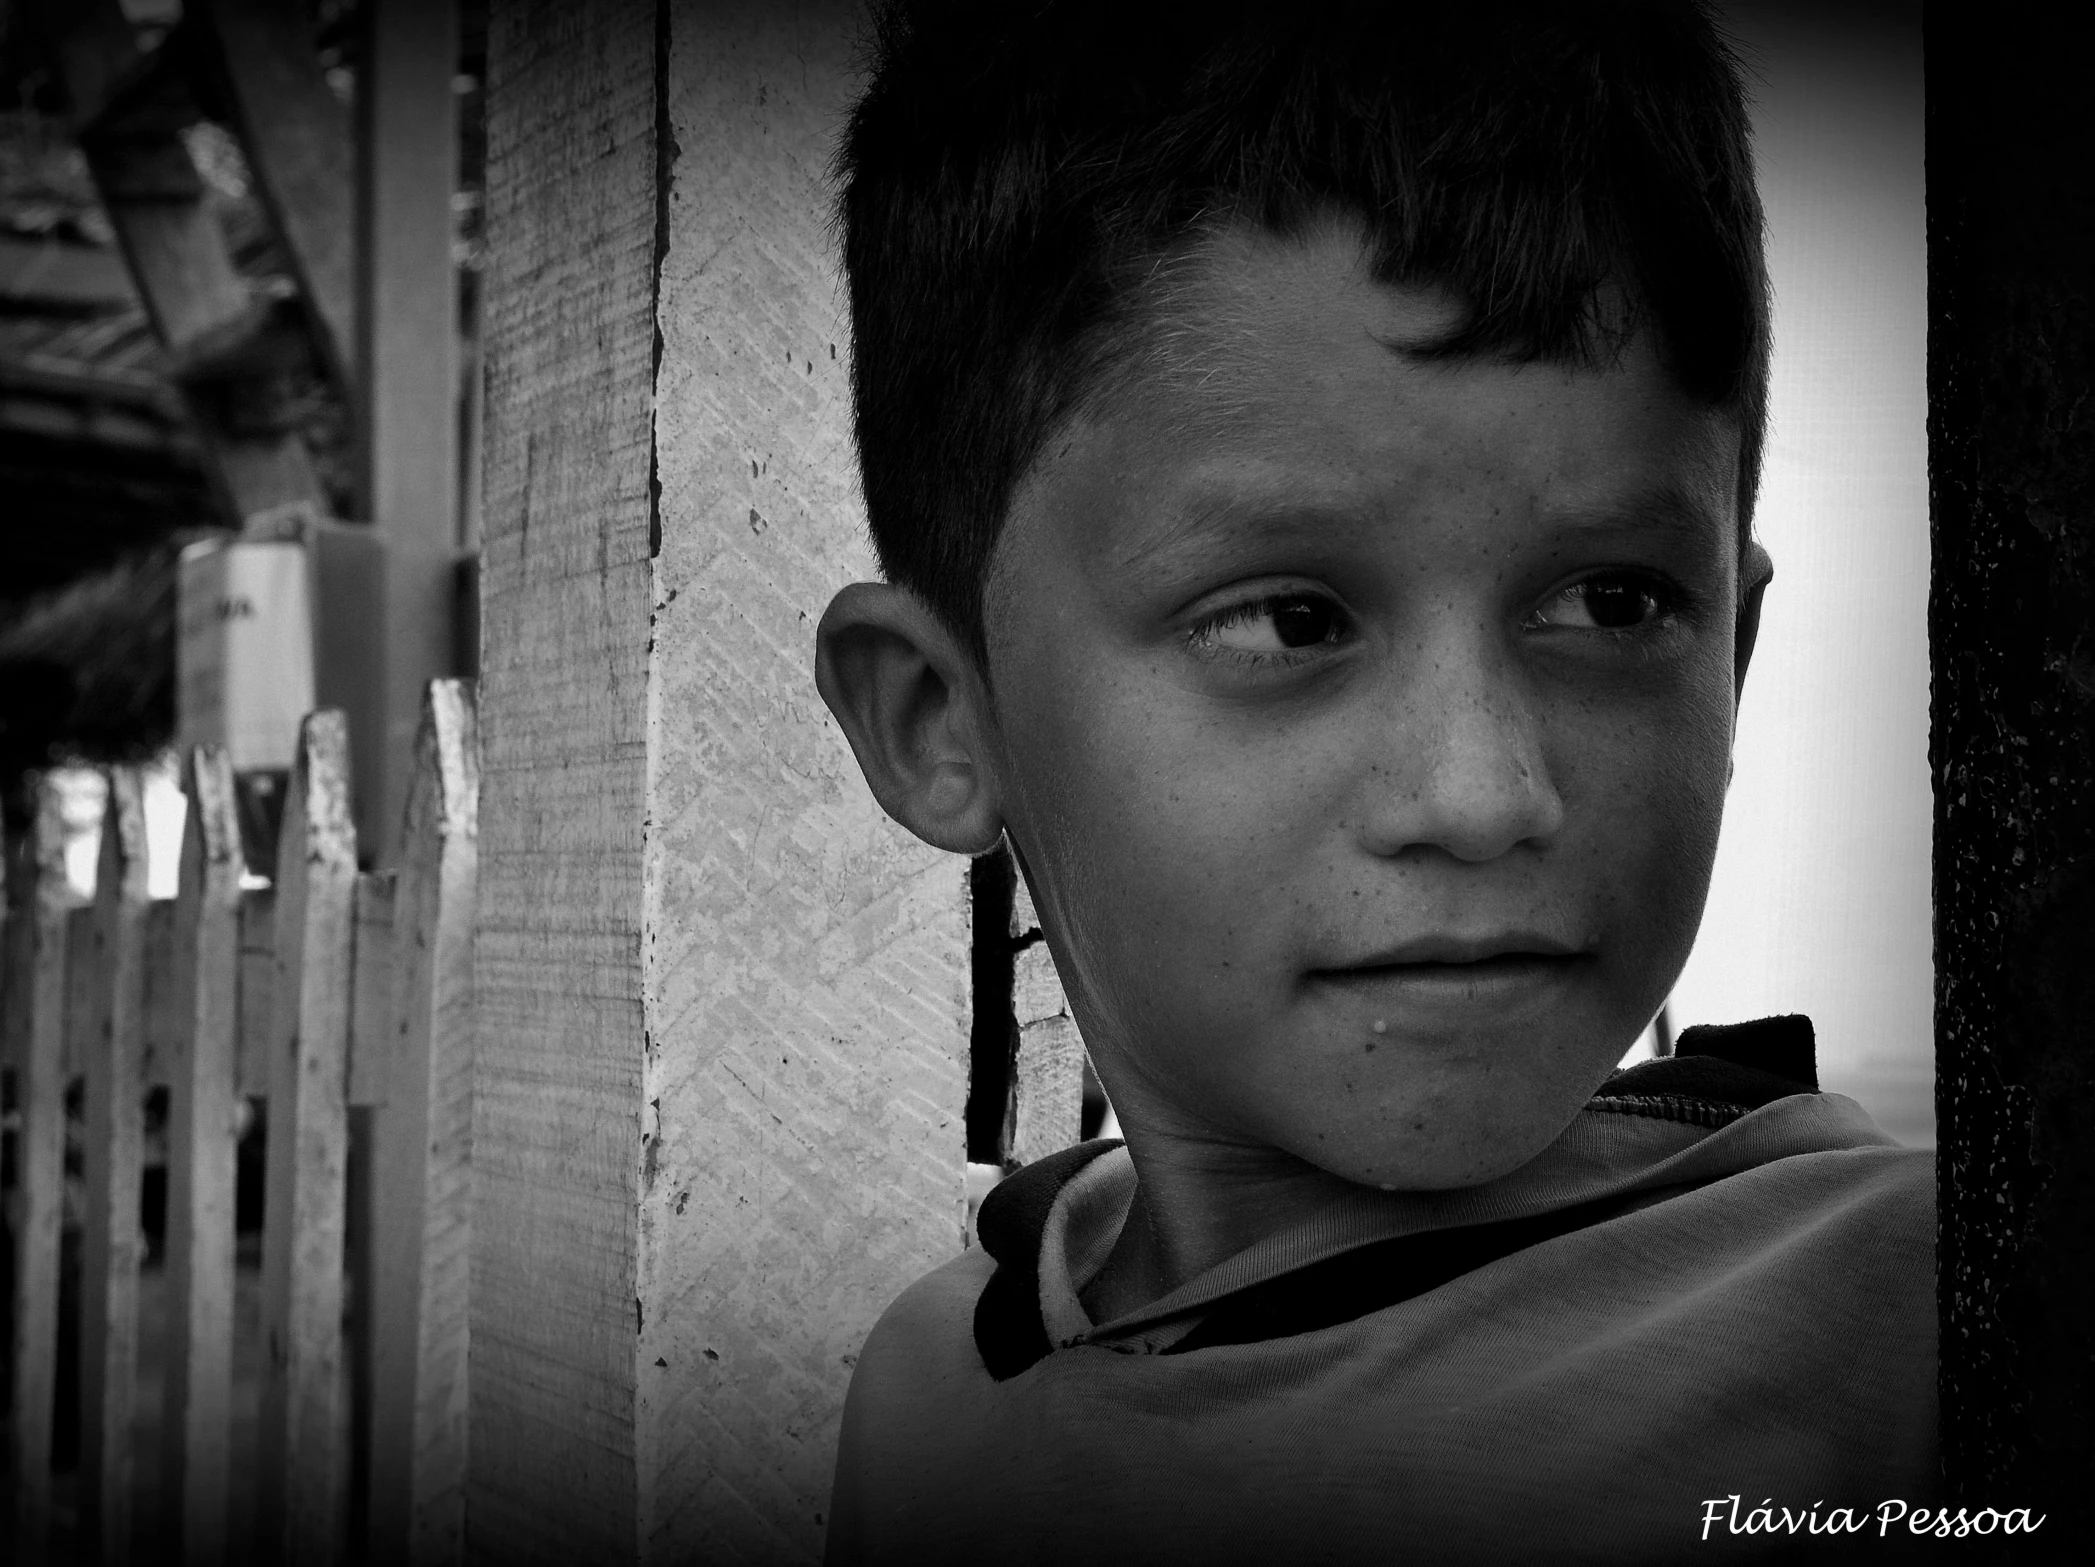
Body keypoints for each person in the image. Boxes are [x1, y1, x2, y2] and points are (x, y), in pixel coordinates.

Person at [808, 1, 1935, 1560]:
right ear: (940, 717)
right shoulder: (939, 1391)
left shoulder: (1916, 1320)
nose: (1482, 795)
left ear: (1729, 657)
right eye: (1289, 620)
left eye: (1611, 602)